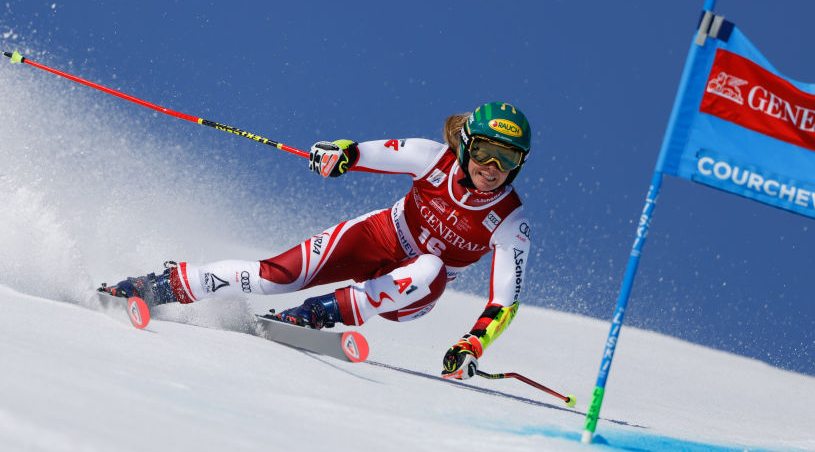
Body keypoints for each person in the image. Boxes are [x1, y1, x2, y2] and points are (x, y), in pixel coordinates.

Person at [100, 102, 533, 380]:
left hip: (410, 294)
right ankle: (158, 286)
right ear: (466, 146)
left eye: (507, 158)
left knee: (430, 268)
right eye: (484, 152)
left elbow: (504, 301)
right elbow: (362, 153)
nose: (492, 166)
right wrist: (339, 155)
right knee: (276, 274)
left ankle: (316, 315)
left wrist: (470, 344)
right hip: (380, 235)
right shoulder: (430, 156)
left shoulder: (510, 221)